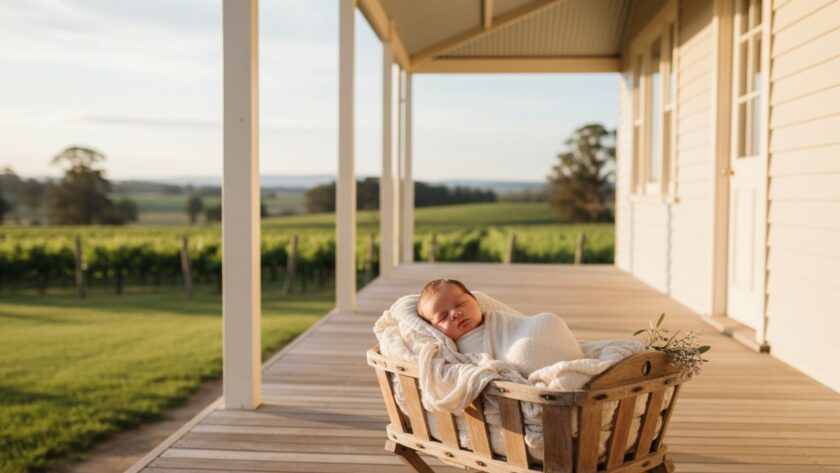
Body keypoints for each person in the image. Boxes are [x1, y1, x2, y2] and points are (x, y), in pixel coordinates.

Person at [416, 278, 584, 377]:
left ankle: (569, 363)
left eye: (460, 304)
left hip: (535, 333)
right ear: (435, 330)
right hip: (523, 354)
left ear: (476, 302)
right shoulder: (458, 350)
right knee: (522, 351)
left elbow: (523, 323)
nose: (455, 314)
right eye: (443, 317)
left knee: (548, 320)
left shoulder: (496, 319)